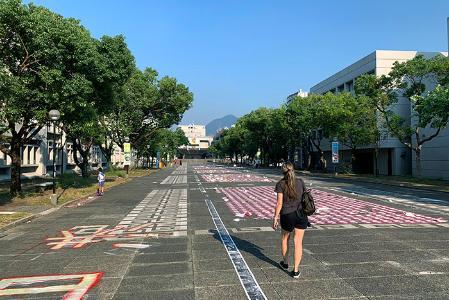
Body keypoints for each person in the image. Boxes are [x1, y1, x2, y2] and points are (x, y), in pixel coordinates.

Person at [272, 162, 307, 278]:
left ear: (282, 171)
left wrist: (275, 217)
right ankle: (296, 270)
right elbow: (304, 198)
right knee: (298, 242)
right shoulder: (300, 182)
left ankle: (285, 263)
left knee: (285, 238)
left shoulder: (281, 184)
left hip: (287, 214)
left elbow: (279, 203)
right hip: (301, 214)